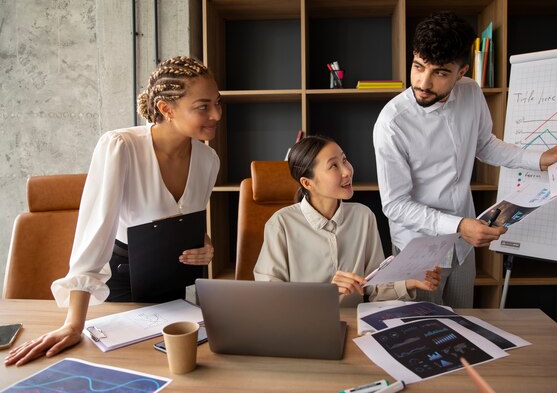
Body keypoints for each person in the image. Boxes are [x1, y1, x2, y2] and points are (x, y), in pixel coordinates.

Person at [5, 56, 222, 366]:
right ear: (166, 109)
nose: (216, 113)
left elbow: (182, 219)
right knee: (127, 369)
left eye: (217, 102)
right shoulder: (121, 146)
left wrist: (205, 244)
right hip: (120, 285)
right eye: (203, 106)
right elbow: (94, 234)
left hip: (175, 288)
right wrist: (73, 324)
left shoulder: (208, 160)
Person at [372, 12, 557, 308]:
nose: (423, 82)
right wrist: (459, 225)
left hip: (463, 245)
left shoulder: (471, 92)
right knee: (428, 334)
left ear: (462, 71)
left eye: (440, 72)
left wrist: (538, 160)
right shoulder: (392, 123)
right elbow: (395, 204)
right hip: (419, 250)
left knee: (464, 323)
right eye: (418, 66)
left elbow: (484, 145)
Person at [253, 135, 441, 307]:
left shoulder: (363, 216)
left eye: (344, 160)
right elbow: (269, 297)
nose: (347, 171)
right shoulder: (281, 224)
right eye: (334, 165)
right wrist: (326, 293)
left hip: (355, 324)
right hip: (303, 326)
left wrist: (411, 282)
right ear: (307, 183)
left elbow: (374, 286)